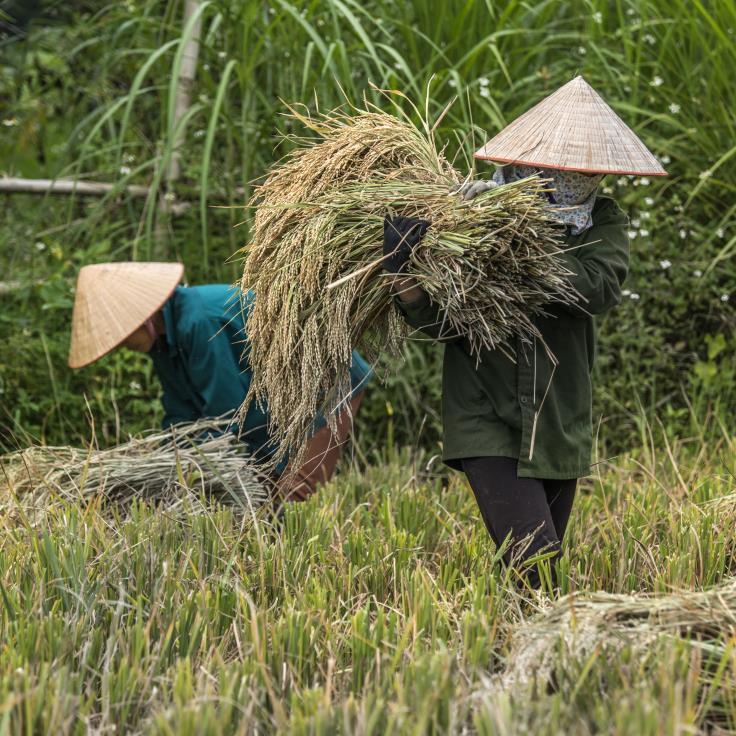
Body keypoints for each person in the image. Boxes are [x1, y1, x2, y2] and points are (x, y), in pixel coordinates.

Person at [383, 76, 667, 590]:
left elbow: (596, 289)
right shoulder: (472, 214)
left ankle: (522, 657)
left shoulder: (602, 221)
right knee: (534, 565)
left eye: (580, 168)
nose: (566, 177)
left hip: (557, 417)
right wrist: (408, 284)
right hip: (485, 412)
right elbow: (450, 322)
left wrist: (524, 242)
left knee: (540, 572)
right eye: (556, 166)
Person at [67, 262, 372, 501]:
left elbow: (227, 414)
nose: (121, 345)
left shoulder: (200, 321)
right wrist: (164, 458)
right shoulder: (162, 342)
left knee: (294, 493)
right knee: (261, 492)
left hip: (326, 387)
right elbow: (180, 413)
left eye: (122, 337)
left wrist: (194, 465)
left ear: (142, 319)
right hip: (270, 407)